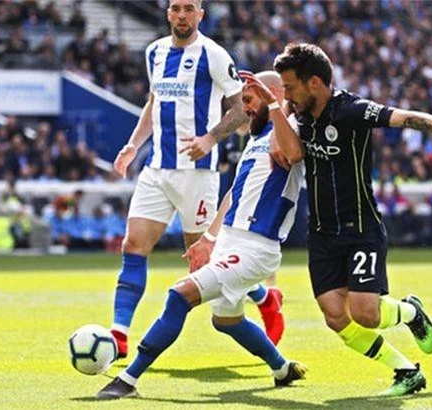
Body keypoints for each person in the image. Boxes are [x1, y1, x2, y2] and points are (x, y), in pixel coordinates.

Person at [248, 43, 432, 396]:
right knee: (334, 316)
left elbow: (404, 116)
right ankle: (405, 371)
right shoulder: (298, 113)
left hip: (360, 228)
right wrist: (278, 114)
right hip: (322, 232)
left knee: (366, 315)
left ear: (314, 82)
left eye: (290, 87)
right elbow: (293, 146)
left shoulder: (352, 110)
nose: (287, 95)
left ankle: (410, 312)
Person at [96, 71, 306, 400]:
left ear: (271, 94)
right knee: (226, 321)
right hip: (231, 241)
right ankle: (282, 368)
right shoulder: (257, 137)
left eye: (248, 99)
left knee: (179, 295)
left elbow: (294, 154)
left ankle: (128, 378)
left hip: (257, 247)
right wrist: (208, 238)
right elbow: (233, 195)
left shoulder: (288, 131)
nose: (243, 108)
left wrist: (280, 104)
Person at [108, 0, 283, 359]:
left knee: (205, 260)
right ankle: (119, 334)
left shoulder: (215, 55)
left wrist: (210, 138)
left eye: (189, 8)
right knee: (133, 245)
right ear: (168, 13)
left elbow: (240, 110)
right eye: (176, 8)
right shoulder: (154, 52)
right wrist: (131, 145)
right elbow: (153, 102)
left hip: (198, 175)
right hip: (157, 169)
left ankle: (266, 299)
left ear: (200, 14)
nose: (182, 15)